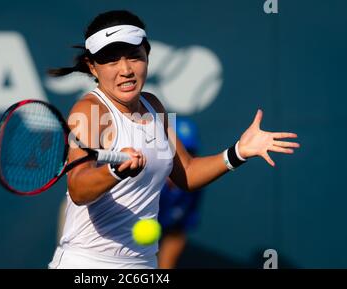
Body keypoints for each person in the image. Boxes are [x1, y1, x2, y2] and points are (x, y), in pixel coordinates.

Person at [47, 10, 299, 269]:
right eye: (111, 61)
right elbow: (78, 188)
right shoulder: (89, 111)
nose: (125, 70)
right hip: (87, 265)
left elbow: (186, 173)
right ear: (92, 67)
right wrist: (115, 171)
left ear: (147, 55)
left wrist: (238, 152)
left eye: (134, 57)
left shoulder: (153, 105)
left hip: (142, 264)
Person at [157, 117, 204, 269]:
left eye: (189, 151)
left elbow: (177, 233)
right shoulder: (141, 180)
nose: (184, 158)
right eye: (178, 151)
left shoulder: (194, 186)